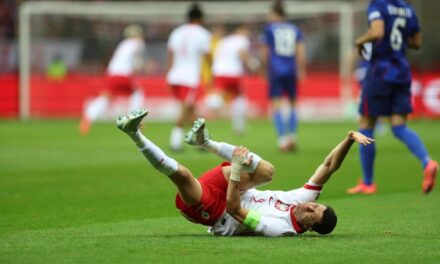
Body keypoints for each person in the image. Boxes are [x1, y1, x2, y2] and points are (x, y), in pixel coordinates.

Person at [116, 108, 373, 236]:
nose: (310, 208)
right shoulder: (303, 201)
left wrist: (237, 170)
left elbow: (235, 210)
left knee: (182, 175)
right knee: (268, 171)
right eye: (317, 207)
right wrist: (349, 139)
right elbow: (328, 167)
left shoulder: (280, 229)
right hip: (234, 186)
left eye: (312, 215)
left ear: (309, 227)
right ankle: (204, 142)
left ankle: (134, 133)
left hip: (219, 215)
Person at [347, 0, 438, 194]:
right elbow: (417, 42)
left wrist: (360, 40)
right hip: (402, 72)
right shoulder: (407, 9)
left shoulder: (378, 5)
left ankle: (368, 182)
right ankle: (427, 162)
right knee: (399, 127)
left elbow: (378, 32)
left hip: (380, 72)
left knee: (366, 124)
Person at [79, 24, 146, 135]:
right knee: (138, 93)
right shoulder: (138, 43)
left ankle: (89, 116)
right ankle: (135, 119)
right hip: (124, 75)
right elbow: (137, 63)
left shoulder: (123, 44)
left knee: (105, 98)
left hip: (111, 74)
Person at [261, 0, 306, 152]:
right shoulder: (295, 29)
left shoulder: (269, 29)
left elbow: (266, 51)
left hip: (276, 70)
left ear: (275, 13)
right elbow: (300, 50)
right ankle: (292, 136)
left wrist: (264, 68)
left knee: (276, 103)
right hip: (291, 70)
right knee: (293, 102)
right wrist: (301, 69)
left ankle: (282, 139)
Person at [166, 3, 211, 151]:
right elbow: (208, 56)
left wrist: (169, 73)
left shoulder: (176, 32)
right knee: (185, 110)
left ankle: (201, 142)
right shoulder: (202, 33)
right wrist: (211, 73)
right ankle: (175, 142)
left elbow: (170, 55)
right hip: (189, 78)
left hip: (174, 76)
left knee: (191, 109)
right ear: (200, 18)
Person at [209, 25, 251, 135]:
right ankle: (239, 126)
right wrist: (251, 64)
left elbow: (216, 56)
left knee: (218, 95)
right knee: (239, 97)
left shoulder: (223, 41)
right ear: (240, 30)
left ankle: (213, 109)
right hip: (233, 72)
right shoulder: (242, 39)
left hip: (219, 72)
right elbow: (242, 53)